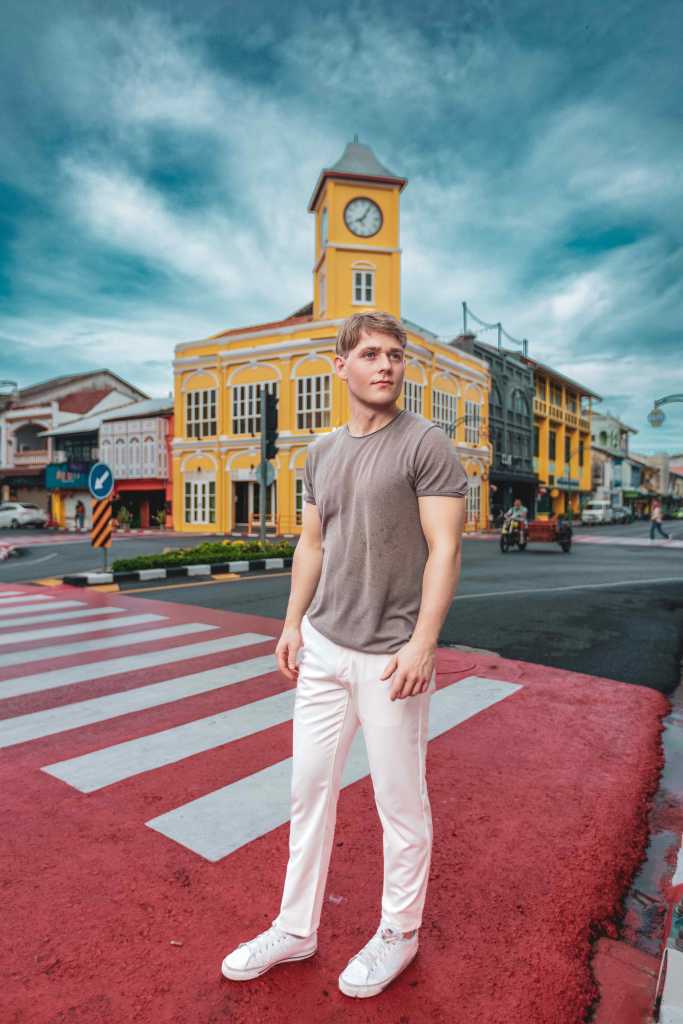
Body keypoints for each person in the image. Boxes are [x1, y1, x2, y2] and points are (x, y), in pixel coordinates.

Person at [221, 311, 468, 998]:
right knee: (307, 791)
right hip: (325, 649)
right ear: (341, 367)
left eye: (394, 355)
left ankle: (399, 932)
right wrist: (291, 622)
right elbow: (313, 543)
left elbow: (445, 548)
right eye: (368, 354)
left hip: (393, 657)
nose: (384, 365)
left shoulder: (425, 444)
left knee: (399, 802)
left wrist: (424, 642)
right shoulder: (320, 451)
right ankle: (295, 928)